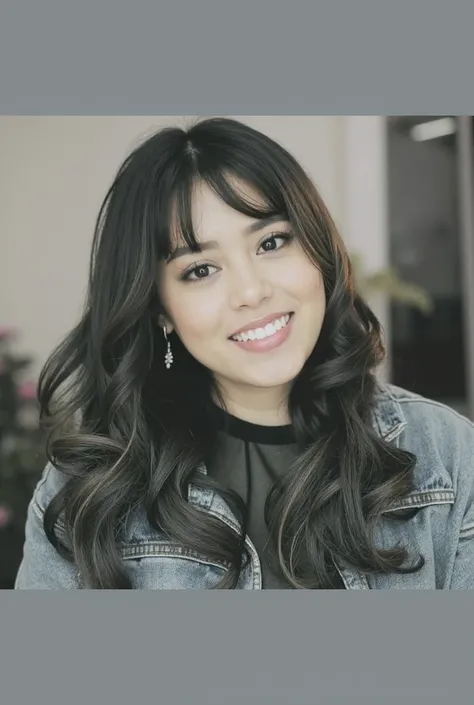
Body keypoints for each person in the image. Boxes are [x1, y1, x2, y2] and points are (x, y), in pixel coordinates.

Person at [15, 117, 474, 590]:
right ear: (160, 309)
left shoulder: (447, 455)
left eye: (271, 242)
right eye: (201, 269)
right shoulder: (87, 490)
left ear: (317, 248)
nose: (251, 292)